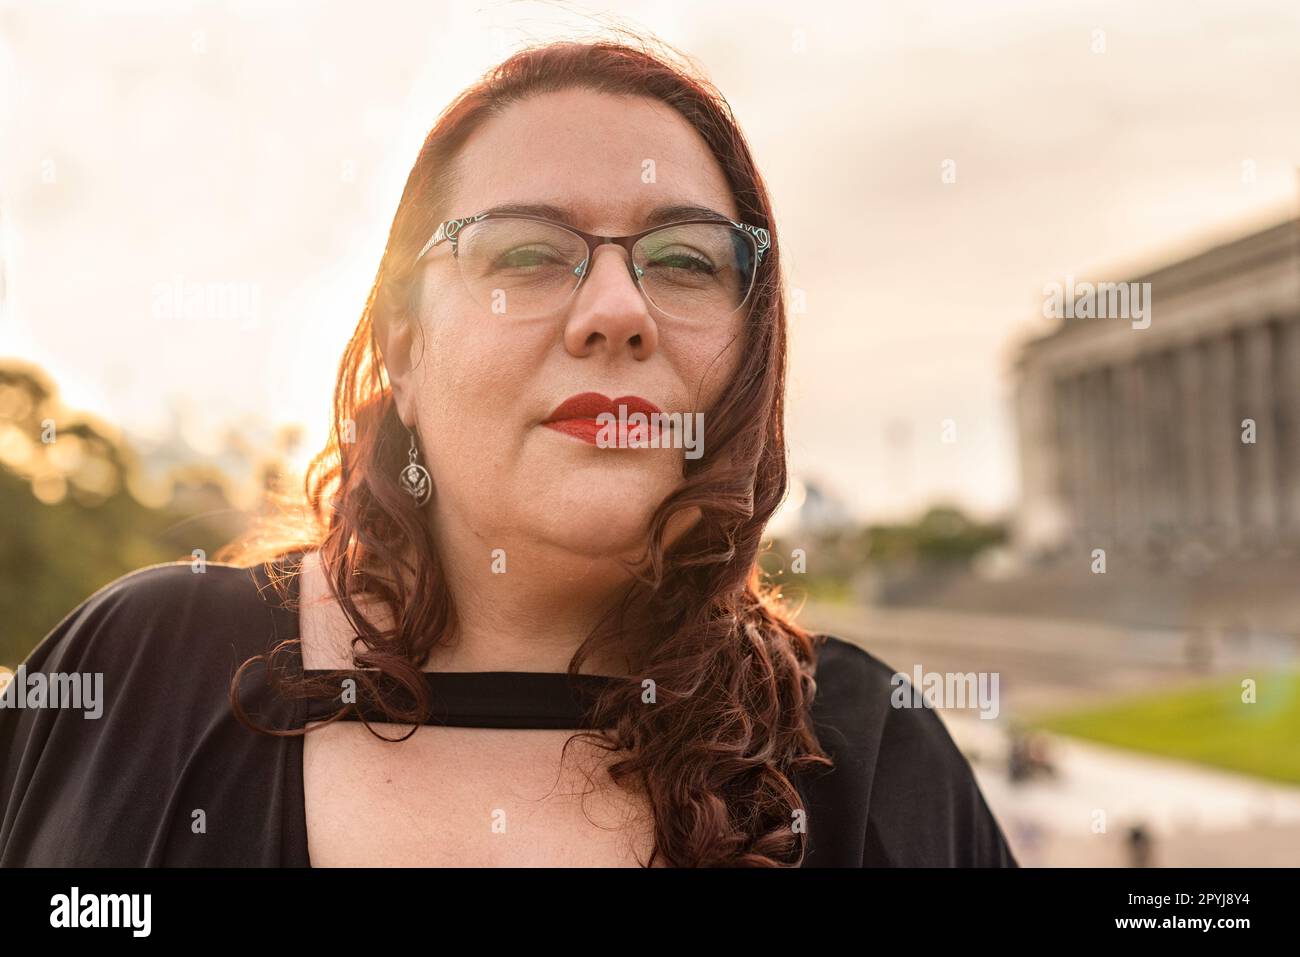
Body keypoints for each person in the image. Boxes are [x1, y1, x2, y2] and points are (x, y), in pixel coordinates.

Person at [0, 36, 1017, 868]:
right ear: (401, 340)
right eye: (527, 252)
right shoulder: (139, 669)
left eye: (683, 260)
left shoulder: (866, 753)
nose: (616, 313)